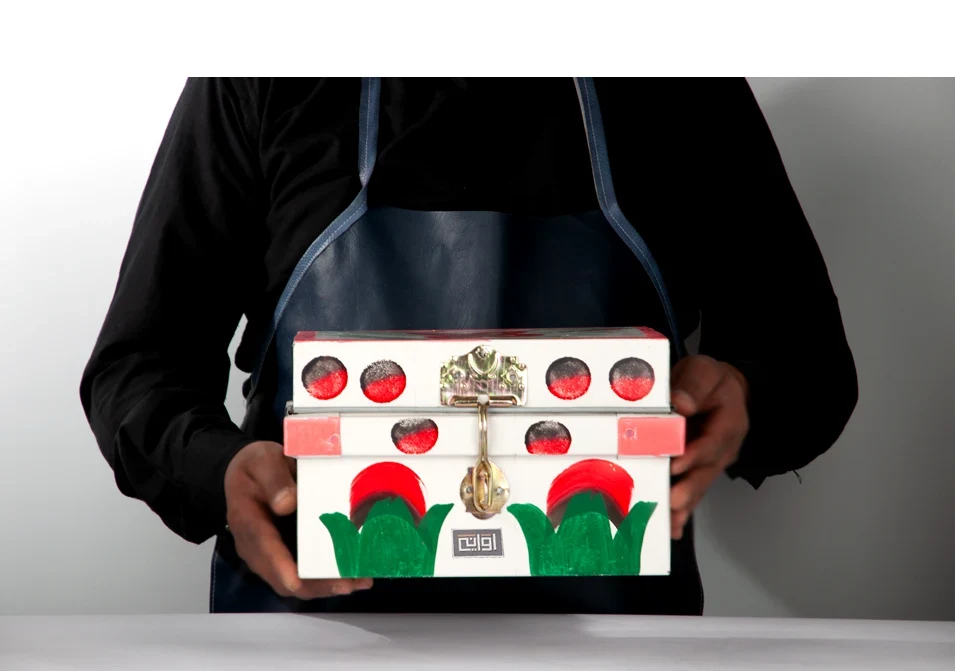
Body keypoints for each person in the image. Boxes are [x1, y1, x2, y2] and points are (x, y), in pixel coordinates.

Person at [80, 77, 858, 615]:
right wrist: (220, 473)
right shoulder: (267, 76)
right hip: (313, 637)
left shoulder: (676, 84)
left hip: (613, 644)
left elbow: (811, 364)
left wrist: (744, 396)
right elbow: (138, 366)